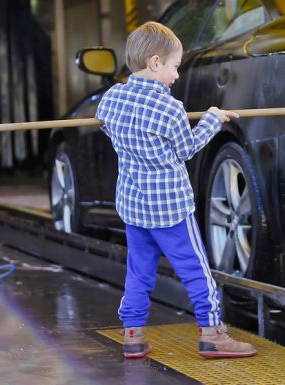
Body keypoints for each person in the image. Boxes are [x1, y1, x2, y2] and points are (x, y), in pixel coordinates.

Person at [95, 21, 256, 359]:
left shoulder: (111, 99)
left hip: (134, 206)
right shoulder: (170, 108)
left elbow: (107, 128)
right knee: (196, 270)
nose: (176, 75)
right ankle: (212, 335)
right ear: (155, 63)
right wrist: (212, 119)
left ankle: (133, 336)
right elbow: (187, 149)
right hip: (170, 208)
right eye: (174, 66)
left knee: (138, 273)